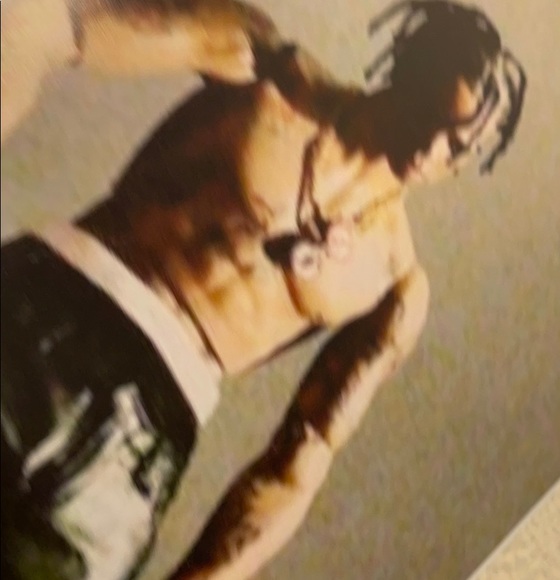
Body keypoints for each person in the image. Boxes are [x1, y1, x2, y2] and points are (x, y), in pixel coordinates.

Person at [1, 1, 527, 579]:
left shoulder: (394, 285)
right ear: (406, 70)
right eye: (429, 114)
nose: (430, 150)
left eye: (457, 145)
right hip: (48, 315)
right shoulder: (269, 72)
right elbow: (55, 27)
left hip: (140, 446)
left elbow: (298, 461)